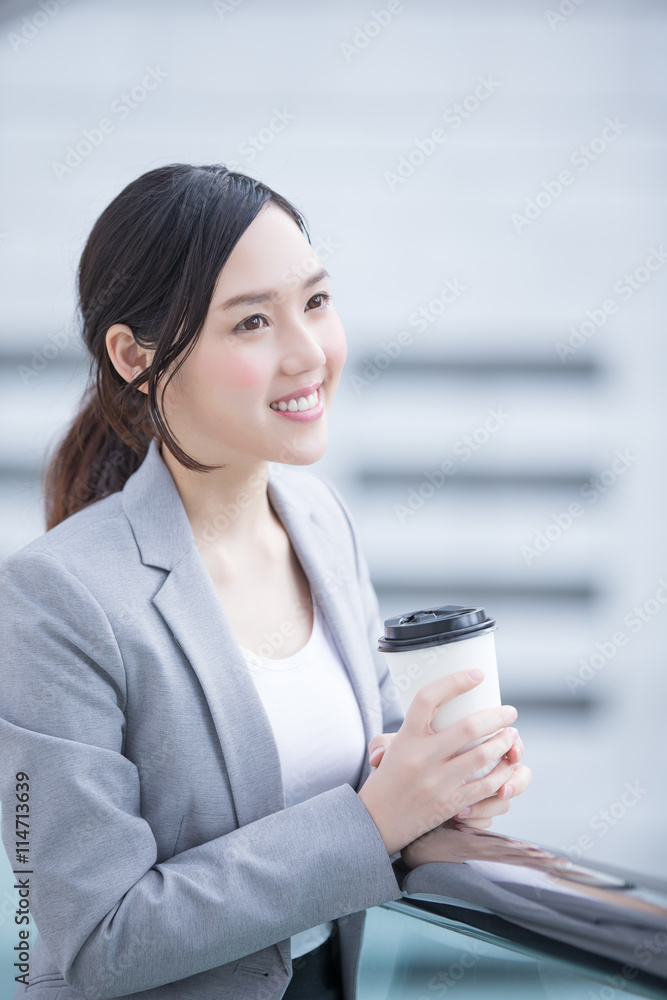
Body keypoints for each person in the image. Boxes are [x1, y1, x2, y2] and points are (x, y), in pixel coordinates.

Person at [0, 163, 531, 1000]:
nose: (307, 352)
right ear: (136, 358)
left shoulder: (320, 521)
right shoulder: (56, 598)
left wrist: (447, 781)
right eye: (252, 321)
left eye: (316, 302)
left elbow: (380, 762)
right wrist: (374, 819)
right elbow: (95, 937)